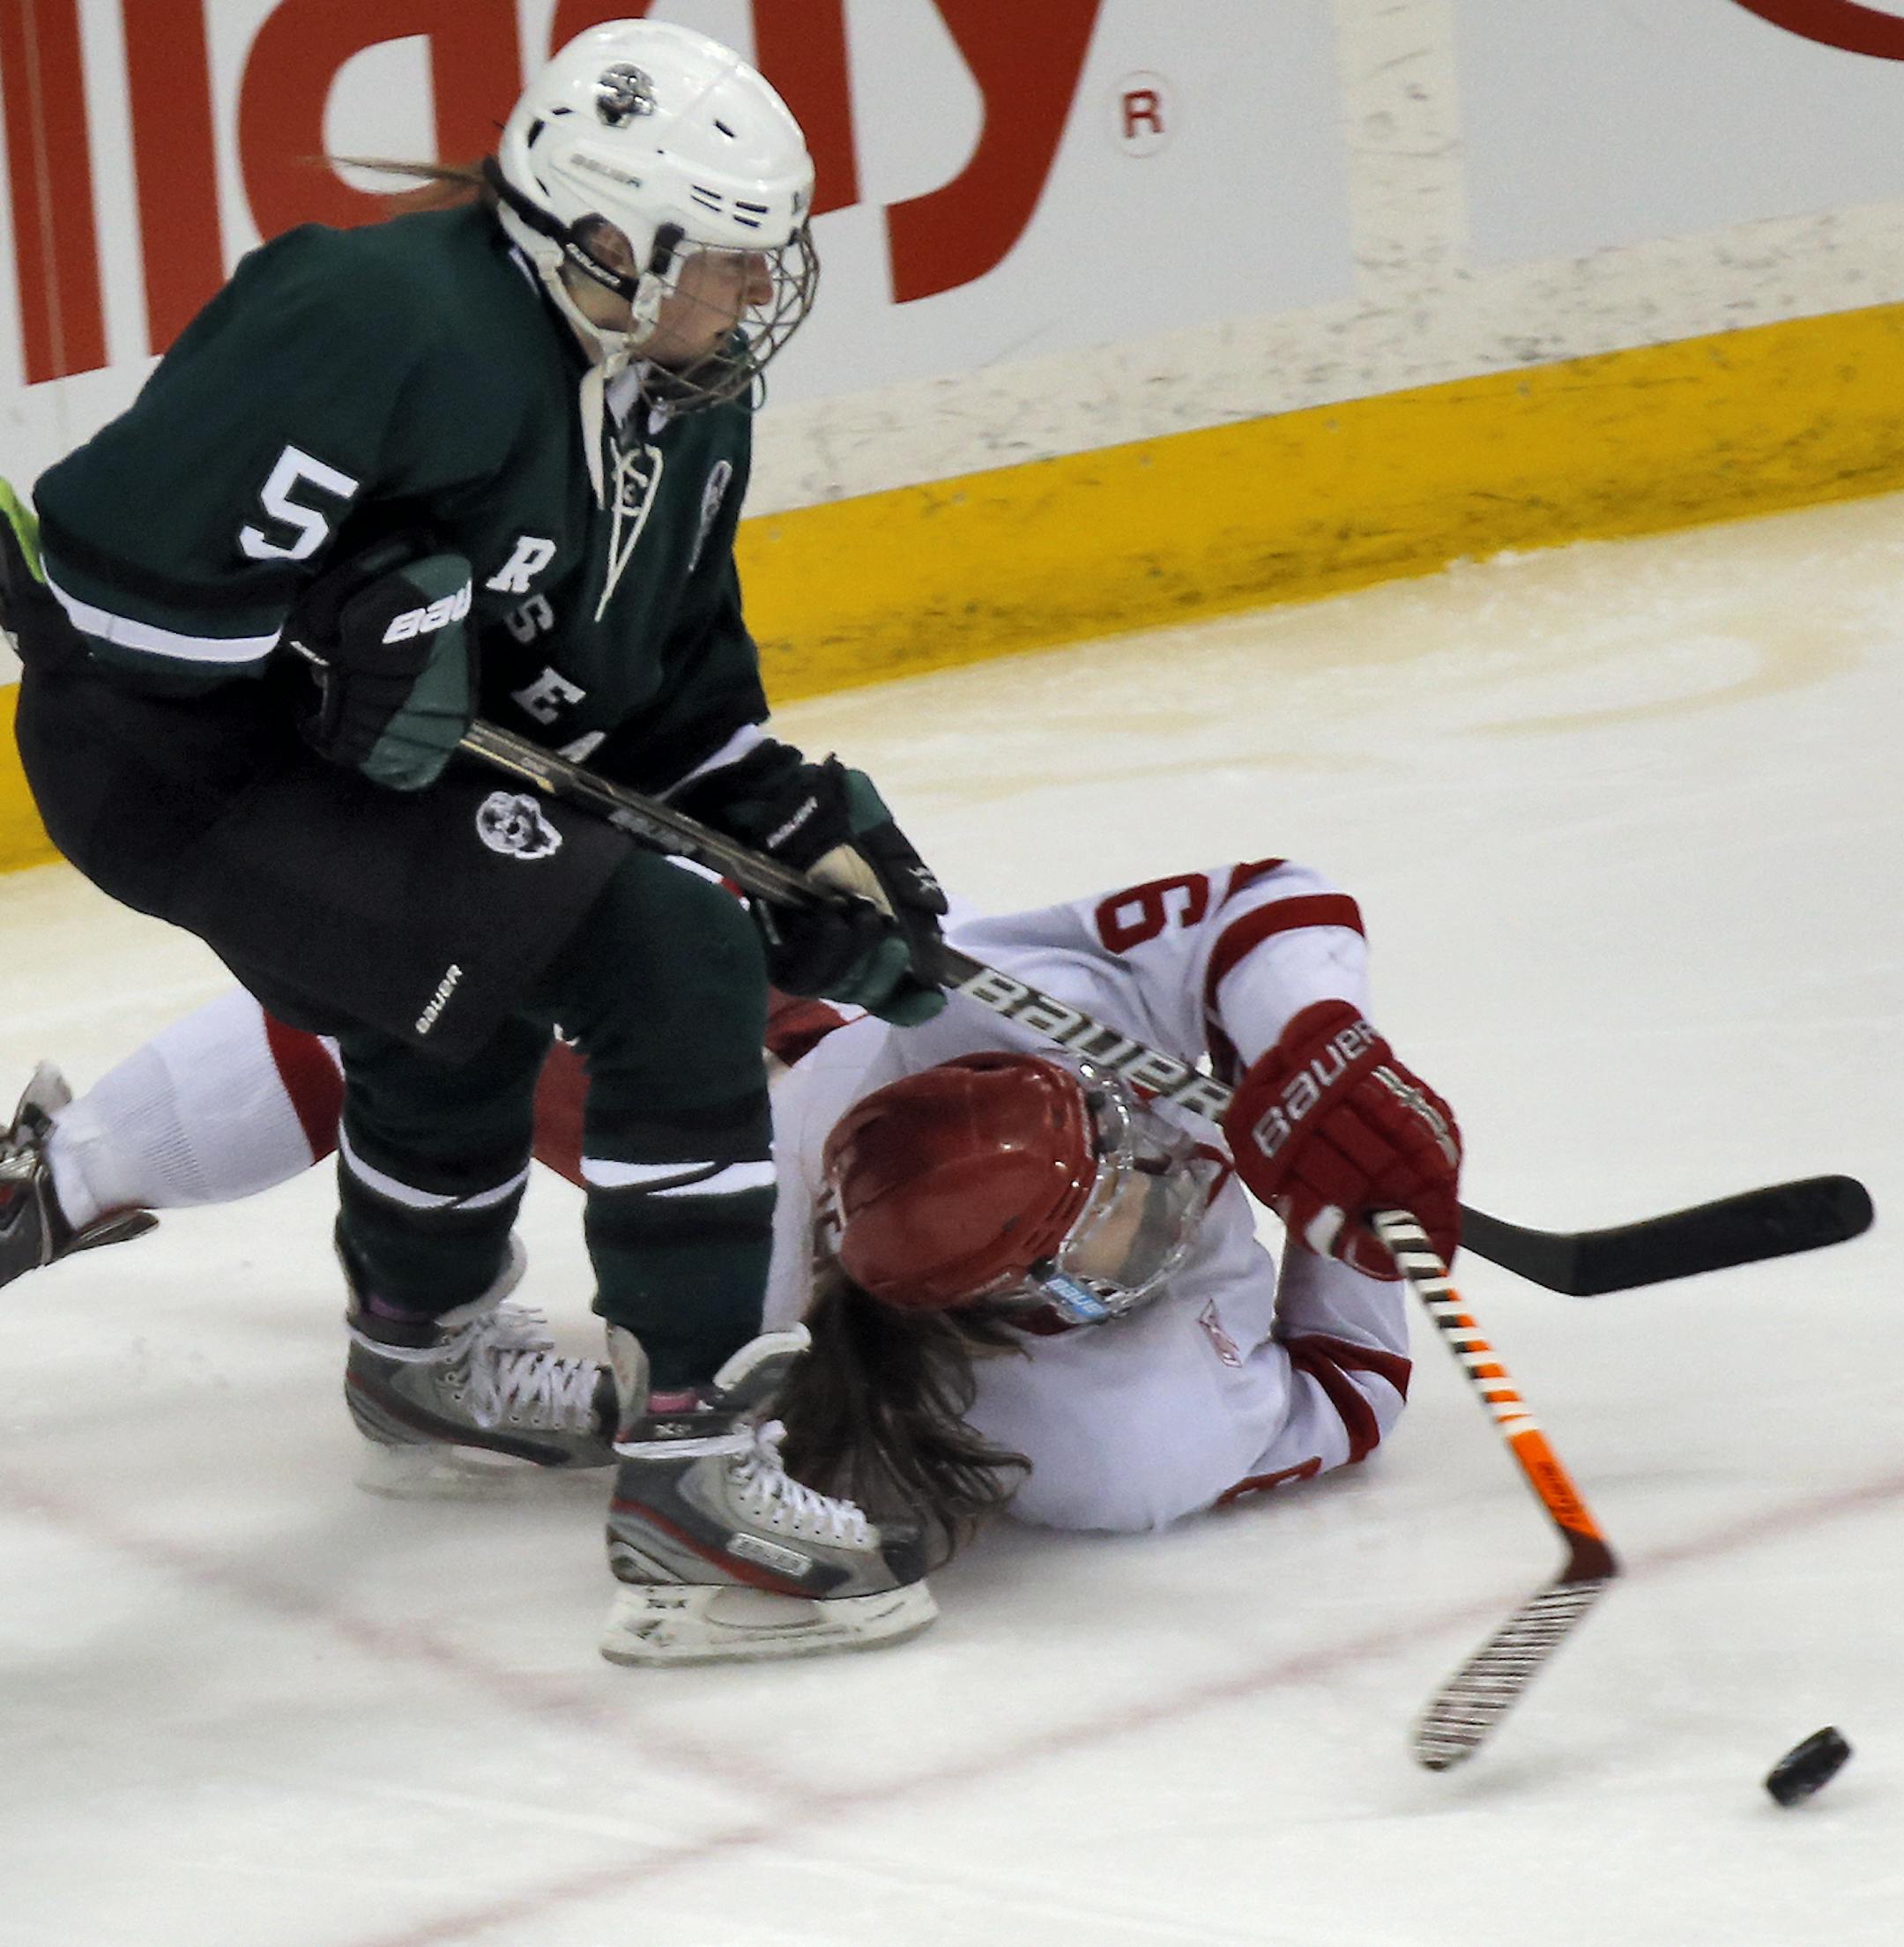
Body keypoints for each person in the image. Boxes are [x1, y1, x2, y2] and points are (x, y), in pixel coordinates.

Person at [0, 21, 952, 1666]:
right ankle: (695, 1482)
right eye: (724, 262)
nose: (753, 296)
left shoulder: (685, 404)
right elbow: (92, 588)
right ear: (605, 237)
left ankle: (420, 1346)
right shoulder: (372, 314)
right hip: (178, 764)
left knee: (469, 974)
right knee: (658, 948)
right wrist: (329, 641)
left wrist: (798, 831)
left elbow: (656, 708)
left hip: (357, 776)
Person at [1, 853, 1462, 1562]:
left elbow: (1264, 904)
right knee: (433, 975)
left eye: (1120, 1147)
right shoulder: (1118, 1446)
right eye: (1111, 1233)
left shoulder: (1003, 1030)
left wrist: (1317, 1049)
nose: (1172, 1168)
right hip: (755, 1109)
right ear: (1024, 1318)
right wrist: (1361, 1246)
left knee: (458, 951)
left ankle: (62, 1174)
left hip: (806, 1045)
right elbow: (1359, 1382)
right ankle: (66, 1181)